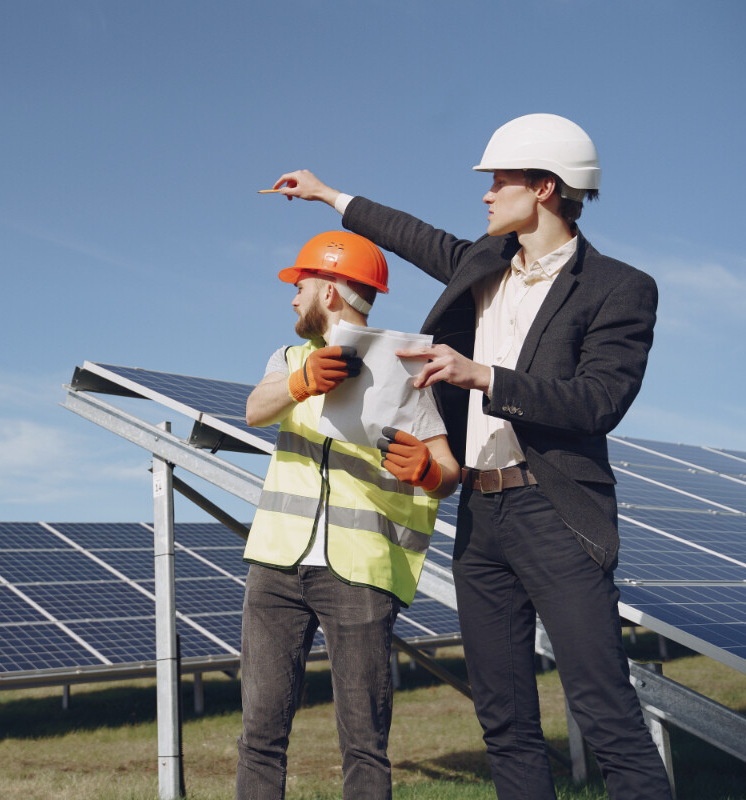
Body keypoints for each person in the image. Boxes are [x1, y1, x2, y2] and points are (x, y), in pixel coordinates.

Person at [267, 113, 673, 799]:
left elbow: (598, 401)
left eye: (499, 182)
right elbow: (411, 234)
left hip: (557, 514)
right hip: (481, 522)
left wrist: (482, 375)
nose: (486, 194)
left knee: (607, 714)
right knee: (506, 722)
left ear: (545, 187)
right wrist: (328, 194)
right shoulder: (482, 265)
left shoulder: (619, 288)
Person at [237, 230, 460, 800]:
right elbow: (255, 410)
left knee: (363, 743)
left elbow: (447, 468)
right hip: (276, 569)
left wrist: (430, 473)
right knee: (260, 733)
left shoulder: (405, 371)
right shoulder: (288, 358)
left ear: (331, 292)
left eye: (301, 284)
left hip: (361, 573)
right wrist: (300, 382)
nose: (292, 297)